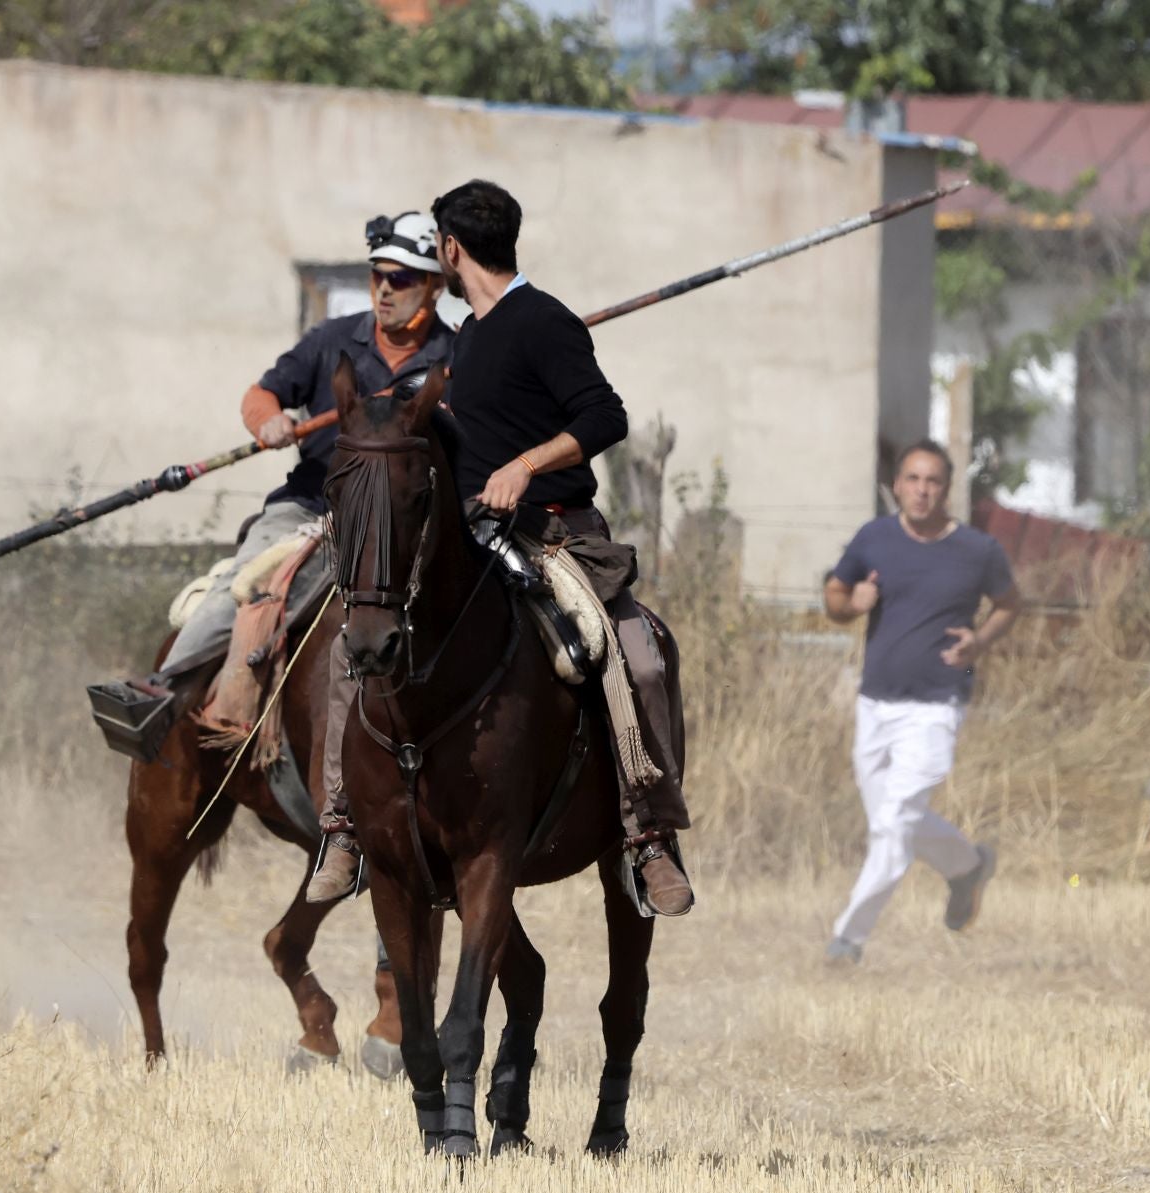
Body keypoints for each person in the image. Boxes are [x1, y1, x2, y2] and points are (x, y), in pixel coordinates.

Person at [310, 177, 695, 916]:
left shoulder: (543, 322)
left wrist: (524, 465)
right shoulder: (472, 338)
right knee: (346, 645)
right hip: (473, 539)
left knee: (634, 650)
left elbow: (605, 416)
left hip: (555, 535)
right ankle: (343, 828)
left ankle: (648, 836)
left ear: (451, 250)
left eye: (436, 254)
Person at [88, 211, 453, 790]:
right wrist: (271, 421)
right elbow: (261, 394)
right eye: (378, 275)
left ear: (433, 285)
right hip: (310, 508)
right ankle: (167, 691)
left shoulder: (453, 361)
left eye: (402, 279)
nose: (385, 289)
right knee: (248, 583)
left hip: (398, 523)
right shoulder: (332, 340)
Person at [822, 442, 1020, 962]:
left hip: (937, 705)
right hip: (875, 704)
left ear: (946, 488)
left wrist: (980, 641)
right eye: (912, 479)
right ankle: (967, 867)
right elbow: (834, 597)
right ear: (898, 485)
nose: (922, 489)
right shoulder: (875, 537)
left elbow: (1009, 604)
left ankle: (848, 939)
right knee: (894, 821)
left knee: (894, 824)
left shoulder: (978, 550)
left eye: (932, 481)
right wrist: (852, 603)